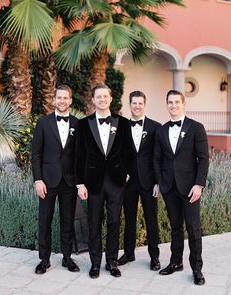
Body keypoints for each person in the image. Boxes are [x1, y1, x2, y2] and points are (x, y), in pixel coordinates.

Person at [75, 83, 132, 279]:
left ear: (110, 98)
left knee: (115, 222)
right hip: (93, 182)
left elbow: (129, 151)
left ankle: (112, 262)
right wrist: (80, 183)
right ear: (93, 100)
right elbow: (78, 156)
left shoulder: (123, 123)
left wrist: (127, 173)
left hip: (116, 182)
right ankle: (95, 264)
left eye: (105, 96)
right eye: (98, 97)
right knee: (94, 222)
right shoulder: (83, 124)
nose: (102, 100)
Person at [153, 90, 209, 285]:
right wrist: (160, 182)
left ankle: (197, 268)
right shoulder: (161, 130)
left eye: (177, 102)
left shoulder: (196, 127)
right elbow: (156, 159)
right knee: (175, 227)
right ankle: (176, 262)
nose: (173, 105)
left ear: (183, 103)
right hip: (169, 187)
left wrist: (199, 184)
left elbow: (203, 159)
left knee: (193, 230)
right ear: (166, 105)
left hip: (190, 188)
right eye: (170, 102)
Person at [31, 85, 79, 274]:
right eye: (59, 98)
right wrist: (38, 180)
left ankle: (67, 258)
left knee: (68, 220)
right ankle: (44, 259)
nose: (62, 101)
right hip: (47, 181)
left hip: (69, 181)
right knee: (45, 220)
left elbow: (79, 154)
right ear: (54, 100)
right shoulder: (43, 123)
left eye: (65, 98)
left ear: (70, 101)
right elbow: (36, 154)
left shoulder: (77, 123)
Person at [117, 91, 161, 271]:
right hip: (128, 181)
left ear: (145, 104)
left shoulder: (155, 127)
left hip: (149, 182)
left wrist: (158, 182)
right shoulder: (122, 126)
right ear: (130, 104)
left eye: (140, 103)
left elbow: (159, 156)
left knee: (151, 219)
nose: (137, 106)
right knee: (129, 219)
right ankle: (129, 253)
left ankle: (154, 257)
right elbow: (118, 155)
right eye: (134, 103)